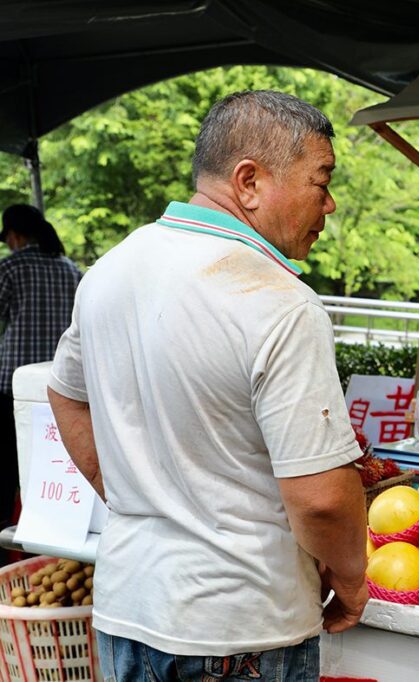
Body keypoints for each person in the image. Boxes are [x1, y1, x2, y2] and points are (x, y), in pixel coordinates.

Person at [47, 90, 368, 682]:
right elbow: (321, 498)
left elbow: (65, 393)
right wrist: (350, 578)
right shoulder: (280, 302)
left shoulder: (111, 270)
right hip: (239, 631)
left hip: (127, 611)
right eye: (321, 183)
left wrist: (130, 492)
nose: (329, 206)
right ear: (249, 181)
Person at [0, 204, 81, 529]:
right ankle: (51, 527)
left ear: (16, 236)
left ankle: (10, 525)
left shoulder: (10, 268)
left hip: (12, 388)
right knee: (50, 465)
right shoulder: (70, 269)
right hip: (62, 387)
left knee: (9, 467)